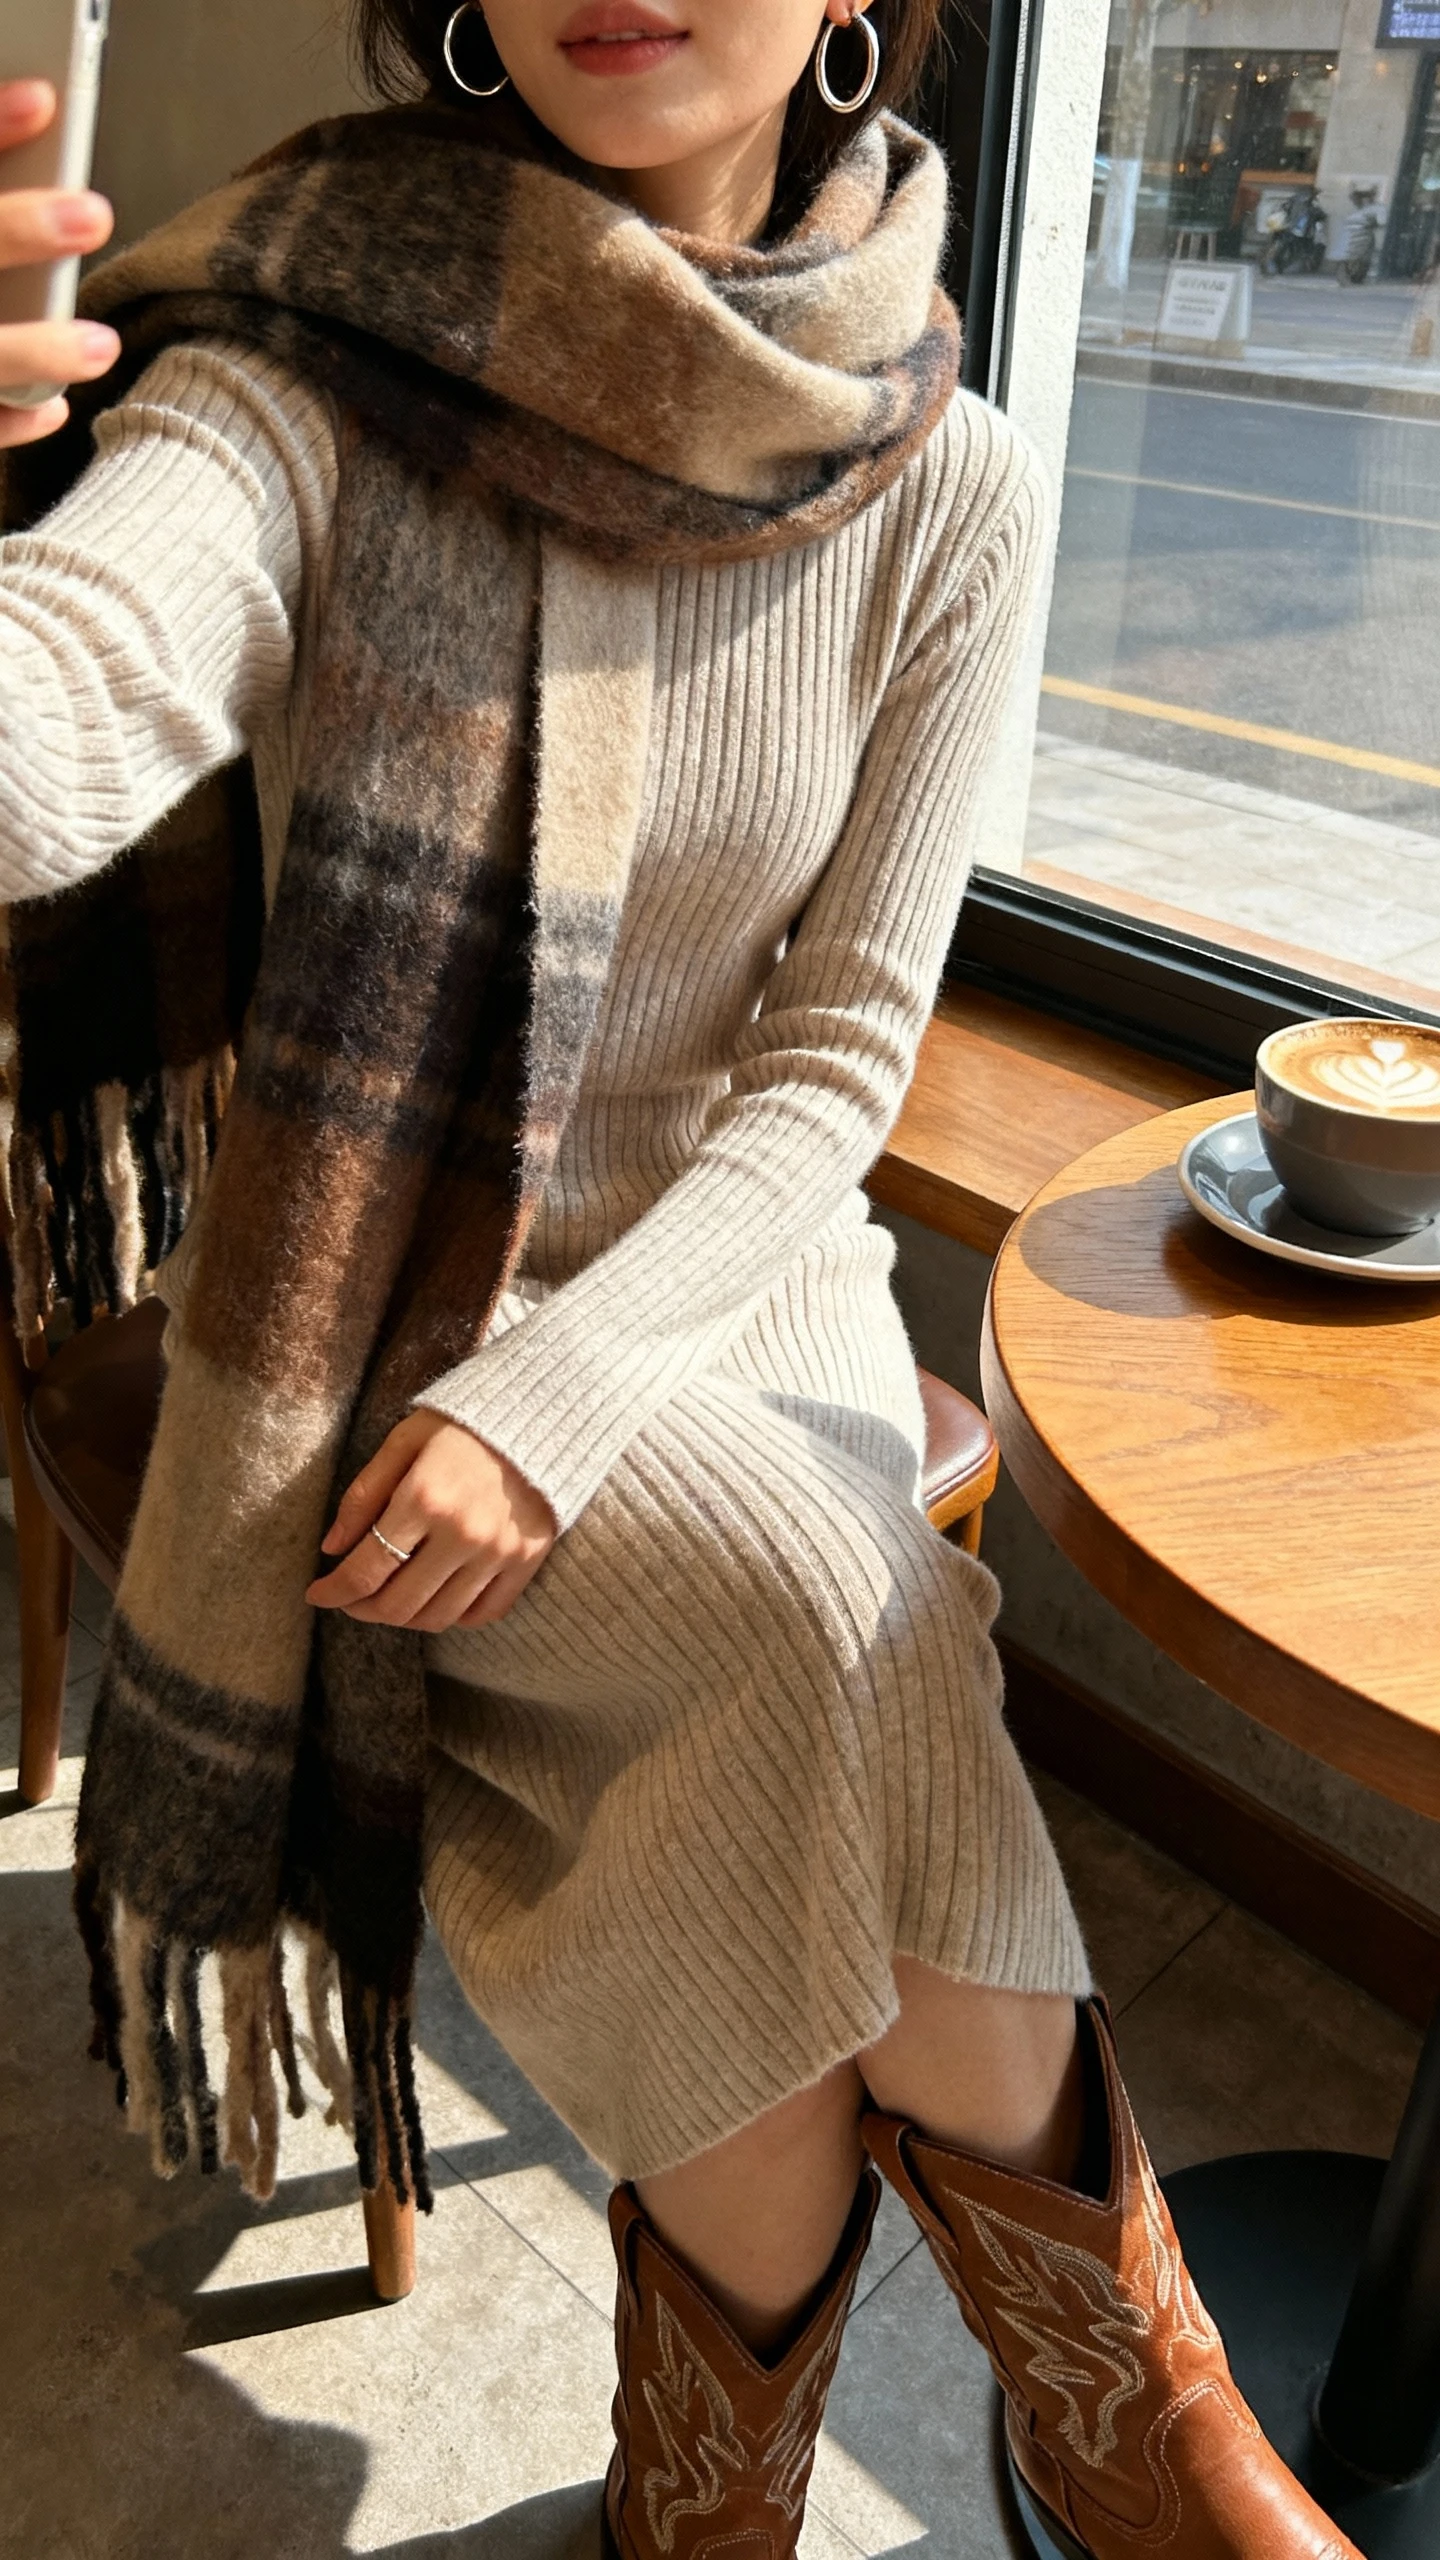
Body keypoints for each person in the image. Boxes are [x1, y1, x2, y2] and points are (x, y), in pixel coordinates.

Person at [0, 9, 1359, 2555]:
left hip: (743, 1259)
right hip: (380, 1300)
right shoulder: (324, 356)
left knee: (796, 1615)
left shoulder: (951, 472)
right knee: (831, 1608)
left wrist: (583, 1385)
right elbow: (57, 703)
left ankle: (703, 2507)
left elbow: (836, 1060)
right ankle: (1130, 2409)